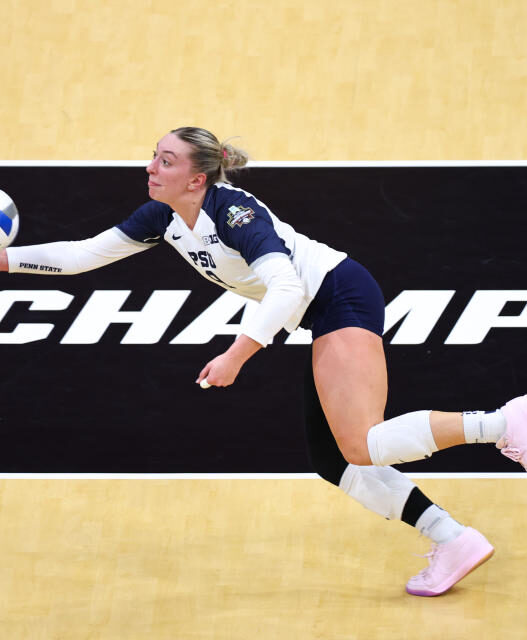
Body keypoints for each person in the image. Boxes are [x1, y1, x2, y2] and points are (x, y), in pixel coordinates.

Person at [1, 126, 525, 597]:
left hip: (339, 296)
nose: (149, 167)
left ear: (197, 178)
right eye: (153, 156)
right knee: (334, 460)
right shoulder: (163, 216)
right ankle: (452, 539)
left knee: (362, 443)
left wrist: (236, 354)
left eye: (165, 160)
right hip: (318, 311)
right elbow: (81, 255)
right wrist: (6, 259)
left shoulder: (233, 213)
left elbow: (285, 286)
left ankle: (505, 423)